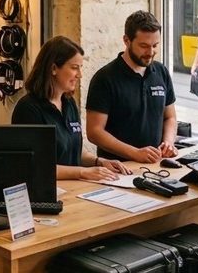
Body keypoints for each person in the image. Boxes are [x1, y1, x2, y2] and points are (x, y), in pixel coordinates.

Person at [11, 35, 130, 181]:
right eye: (74, 68)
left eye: (80, 68)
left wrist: (99, 162)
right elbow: (34, 166)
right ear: (54, 68)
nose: (79, 75)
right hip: (47, 195)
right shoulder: (28, 109)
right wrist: (82, 172)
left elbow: (73, 150)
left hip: (74, 190)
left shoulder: (69, 104)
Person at [85, 10, 178, 163]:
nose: (151, 52)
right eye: (144, 46)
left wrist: (168, 142)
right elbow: (94, 132)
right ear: (126, 41)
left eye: (155, 45)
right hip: (117, 169)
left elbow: (170, 117)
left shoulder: (161, 72)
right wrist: (134, 153)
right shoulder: (104, 78)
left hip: (154, 165)